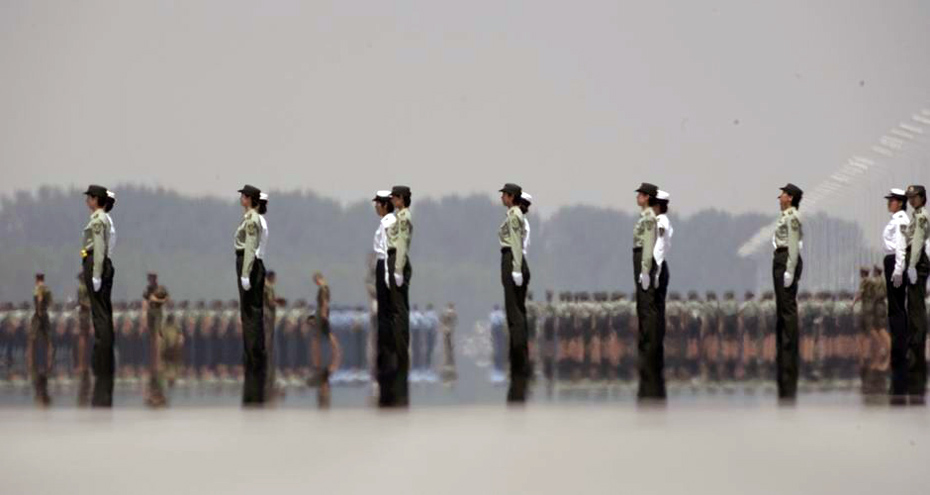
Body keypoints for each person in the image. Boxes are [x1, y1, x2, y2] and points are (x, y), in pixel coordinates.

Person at [82, 185, 115, 407]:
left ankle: (102, 361)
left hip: (96, 262)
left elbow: (100, 246)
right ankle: (104, 359)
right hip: (98, 262)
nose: (87, 201)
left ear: (96, 200)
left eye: (90, 198)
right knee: (103, 315)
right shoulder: (102, 218)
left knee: (100, 315)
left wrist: (95, 274)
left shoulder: (98, 219)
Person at [234, 184, 266, 405]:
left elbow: (250, 247)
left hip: (248, 263)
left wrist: (245, 272)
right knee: (250, 312)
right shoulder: (249, 217)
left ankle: (253, 354)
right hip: (248, 263)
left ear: (250, 199)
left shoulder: (252, 219)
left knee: (250, 313)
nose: (241, 198)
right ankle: (253, 353)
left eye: (244, 196)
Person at [772, 183, 804, 401]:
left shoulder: (792, 217)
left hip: (786, 260)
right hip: (781, 259)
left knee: (788, 309)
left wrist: (790, 270)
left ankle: (790, 349)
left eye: (783, 194)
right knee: (782, 308)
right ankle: (784, 348)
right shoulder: (785, 216)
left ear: (790, 198)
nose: (780, 197)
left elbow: (793, 244)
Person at [498, 183, 528, 402]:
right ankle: (518, 355)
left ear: (511, 197)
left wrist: (516, 267)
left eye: (504, 195)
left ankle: (518, 357)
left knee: (514, 313)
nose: (502, 198)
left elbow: (516, 242)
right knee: (515, 312)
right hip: (510, 259)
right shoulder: (513, 214)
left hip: (512, 259)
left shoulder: (515, 215)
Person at [633, 182, 662, 400]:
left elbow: (649, 245)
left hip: (644, 259)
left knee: (647, 307)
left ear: (648, 197)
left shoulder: (650, 218)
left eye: (641, 195)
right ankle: (646, 347)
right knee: (642, 307)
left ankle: (649, 350)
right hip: (639, 257)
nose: (638, 197)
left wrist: (645, 270)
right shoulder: (645, 216)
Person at [882, 188, 910, 404]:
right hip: (892, 262)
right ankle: (899, 346)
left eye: (892, 200)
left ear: (900, 203)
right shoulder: (897, 218)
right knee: (896, 308)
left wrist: (899, 269)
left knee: (897, 309)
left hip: (895, 263)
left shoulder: (900, 220)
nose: (889, 203)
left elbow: (901, 246)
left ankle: (899, 349)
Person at [387, 185, 413, 406]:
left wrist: (397, 269)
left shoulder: (404, 217)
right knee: (397, 308)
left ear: (402, 199)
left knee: (399, 310)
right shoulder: (399, 216)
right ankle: (400, 348)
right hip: (395, 259)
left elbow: (402, 243)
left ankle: (402, 350)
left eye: (395, 197)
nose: (393, 201)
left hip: (398, 260)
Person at [371, 190, 398, 405]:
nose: (375, 207)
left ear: (384, 205)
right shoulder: (386, 221)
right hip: (381, 264)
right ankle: (385, 347)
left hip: (384, 264)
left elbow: (389, 248)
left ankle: (386, 349)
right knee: (383, 311)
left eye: (378, 203)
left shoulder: (389, 222)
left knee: (385, 312)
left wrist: (388, 274)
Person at [904, 184, 928, 405]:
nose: (911, 200)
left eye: (914, 197)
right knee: (912, 309)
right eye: (909, 197)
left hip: (917, 262)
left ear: (922, 197)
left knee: (917, 310)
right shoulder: (915, 216)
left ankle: (917, 358)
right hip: (914, 260)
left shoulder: (921, 217)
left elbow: (918, 242)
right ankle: (915, 355)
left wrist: (912, 265)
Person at [143, 273, 169, 407]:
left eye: (152, 278)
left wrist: (156, 299)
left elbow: (166, 299)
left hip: (158, 313)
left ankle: (158, 361)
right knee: (152, 337)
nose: (150, 280)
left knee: (158, 335)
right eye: (149, 278)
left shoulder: (160, 288)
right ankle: (154, 361)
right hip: (150, 313)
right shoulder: (148, 289)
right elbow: (145, 302)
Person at [29, 273, 53, 406]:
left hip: (39, 316)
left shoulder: (39, 288)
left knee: (33, 338)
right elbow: (50, 302)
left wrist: (38, 312)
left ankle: (31, 361)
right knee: (47, 339)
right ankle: (48, 361)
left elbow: (39, 300)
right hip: (45, 315)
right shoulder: (47, 289)